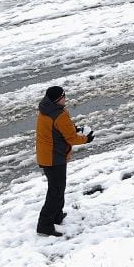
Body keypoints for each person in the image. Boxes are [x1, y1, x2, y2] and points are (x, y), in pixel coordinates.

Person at [35, 85, 93, 237]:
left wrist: (74, 128)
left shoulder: (45, 110)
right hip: (55, 158)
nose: (65, 99)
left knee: (57, 188)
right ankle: (44, 226)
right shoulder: (59, 115)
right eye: (63, 96)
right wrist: (87, 139)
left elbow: (59, 130)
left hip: (46, 156)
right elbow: (71, 138)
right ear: (58, 99)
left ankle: (57, 216)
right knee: (55, 191)